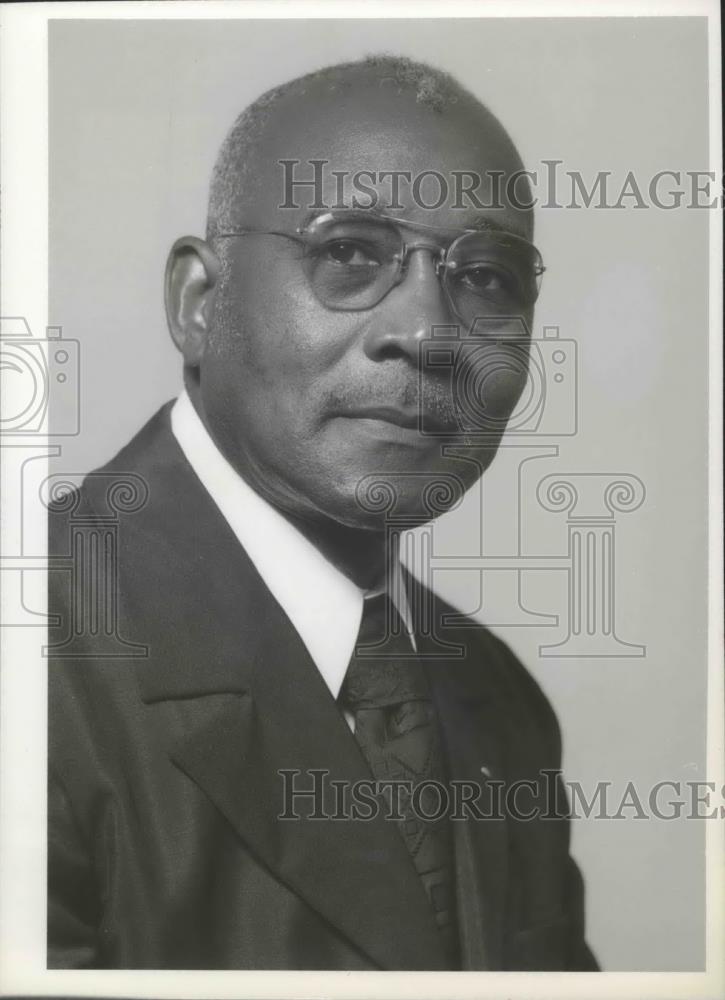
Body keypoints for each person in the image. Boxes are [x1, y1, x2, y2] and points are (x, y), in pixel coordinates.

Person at [47, 55, 598, 971]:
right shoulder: (33, 655)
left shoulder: (501, 707)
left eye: (488, 277)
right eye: (348, 253)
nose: (427, 332)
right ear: (199, 301)